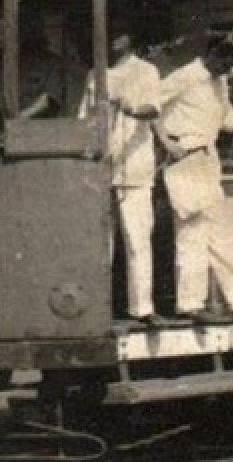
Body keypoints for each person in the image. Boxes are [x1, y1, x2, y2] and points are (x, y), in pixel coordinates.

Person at [155, 35, 233, 325]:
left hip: (206, 159)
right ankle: (221, 302)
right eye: (225, 60)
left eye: (231, 64)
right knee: (198, 231)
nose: (227, 69)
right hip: (185, 158)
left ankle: (225, 301)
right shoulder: (186, 76)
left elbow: (227, 120)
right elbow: (149, 107)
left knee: (207, 231)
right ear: (212, 53)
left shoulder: (219, 82)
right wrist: (166, 142)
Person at [79, 19, 164, 327]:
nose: (112, 40)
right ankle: (99, 310)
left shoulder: (146, 70)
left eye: (118, 33)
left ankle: (142, 308)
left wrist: (127, 106)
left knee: (137, 238)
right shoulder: (96, 74)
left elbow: (153, 109)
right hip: (102, 167)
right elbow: (85, 119)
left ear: (130, 37)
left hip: (135, 166)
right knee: (102, 241)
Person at [19, 6, 89, 119]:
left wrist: (20, 118)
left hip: (40, 129)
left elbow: (49, 99)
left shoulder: (51, 64)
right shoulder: (1, 67)